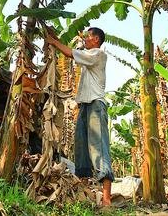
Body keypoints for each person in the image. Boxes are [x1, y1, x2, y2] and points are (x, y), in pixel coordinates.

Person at [46, 27, 115, 207]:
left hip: (96, 105)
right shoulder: (88, 56)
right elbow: (76, 52)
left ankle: (106, 199)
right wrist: (57, 38)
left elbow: (70, 53)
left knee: (98, 148)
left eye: (88, 36)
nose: (85, 38)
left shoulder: (98, 55)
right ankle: (84, 195)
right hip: (84, 106)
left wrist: (53, 42)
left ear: (97, 39)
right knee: (81, 149)